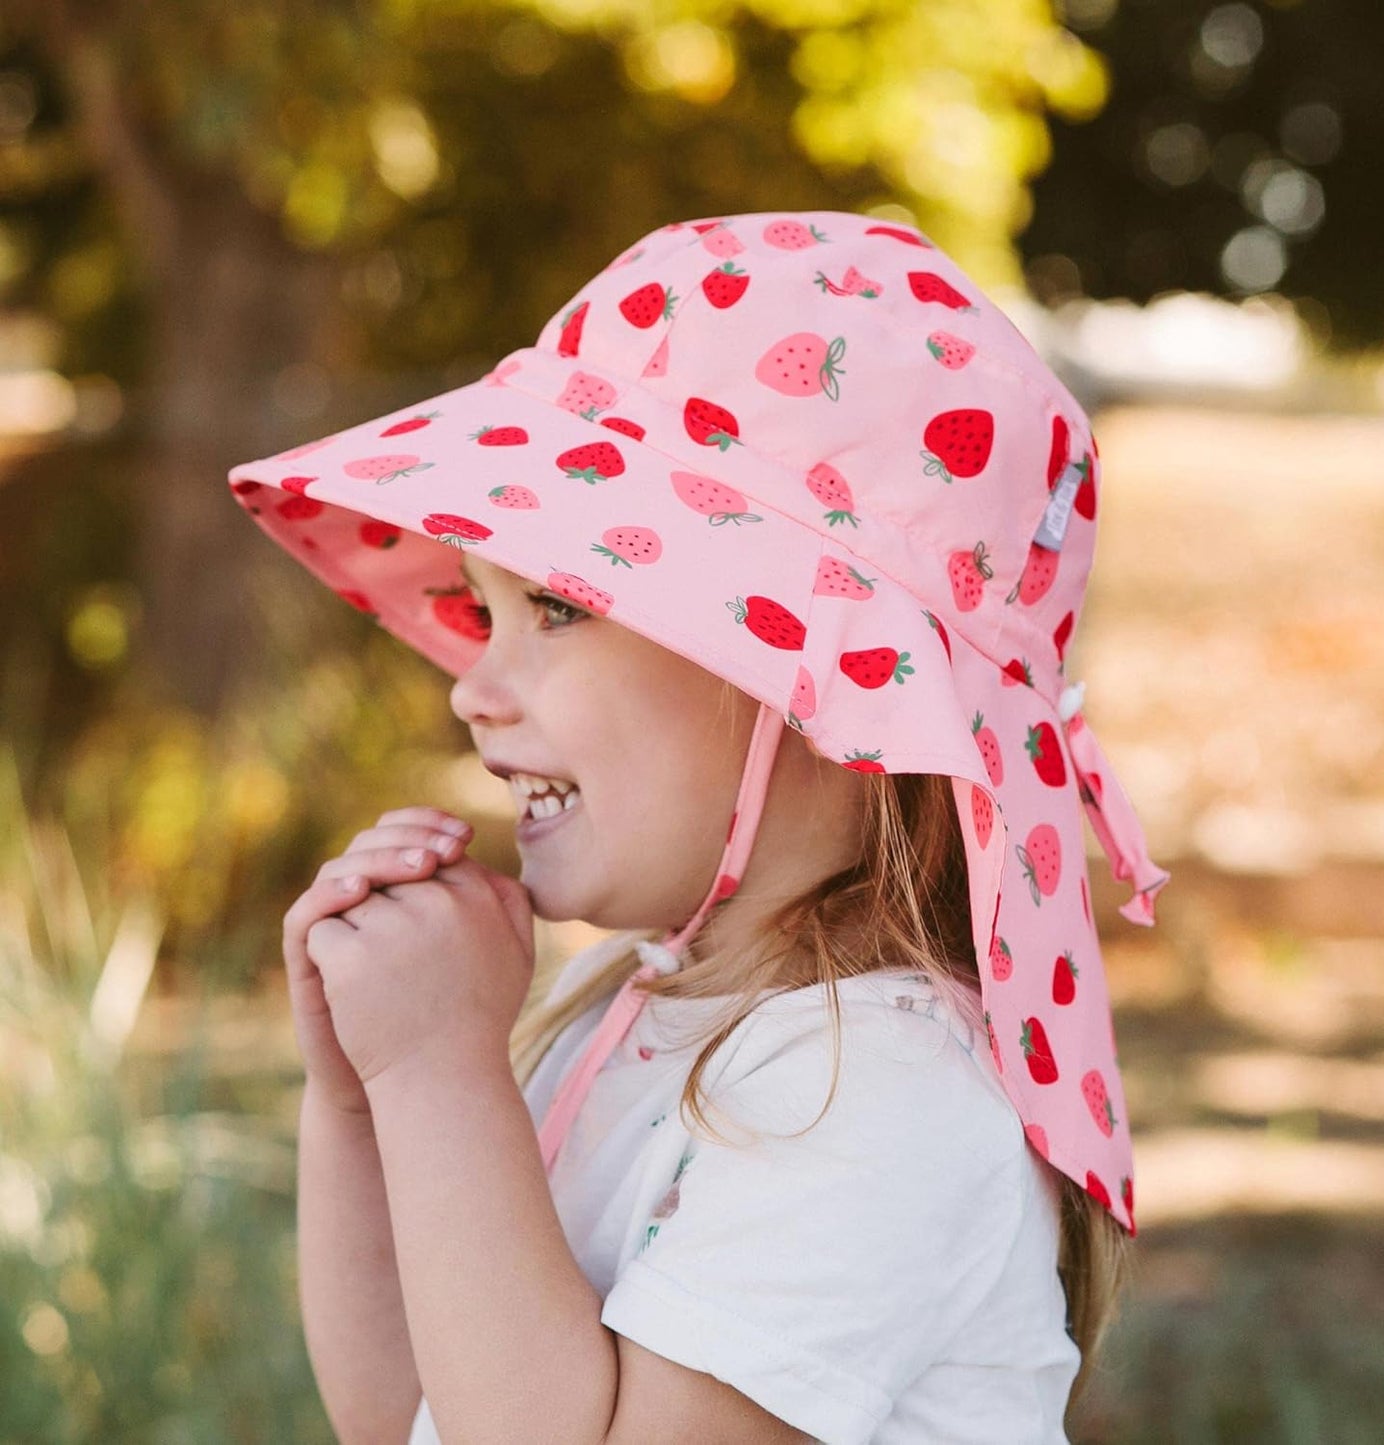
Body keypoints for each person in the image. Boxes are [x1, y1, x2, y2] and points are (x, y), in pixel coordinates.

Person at [229, 209, 1171, 1444]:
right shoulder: (633, 996)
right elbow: (400, 1412)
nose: (469, 683)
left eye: (556, 608)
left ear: (803, 678)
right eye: (481, 607)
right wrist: (366, 1096)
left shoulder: (875, 1089)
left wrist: (440, 1074)